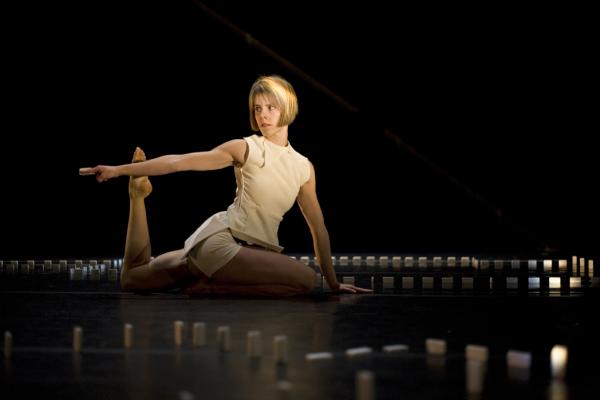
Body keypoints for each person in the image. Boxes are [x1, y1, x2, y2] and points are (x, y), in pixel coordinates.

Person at [79, 75, 372, 296]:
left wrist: (333, 282)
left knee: (133, 278)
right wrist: (118, 169)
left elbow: (318, 227)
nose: (264, 114)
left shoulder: (303, 167)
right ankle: (211, 287)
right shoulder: (245, 148)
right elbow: (180, 162)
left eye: (271, 107)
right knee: (305, 281)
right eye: (258, 109)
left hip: (240, 252)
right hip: (223, 242)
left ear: (288, 108)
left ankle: (138, 197)